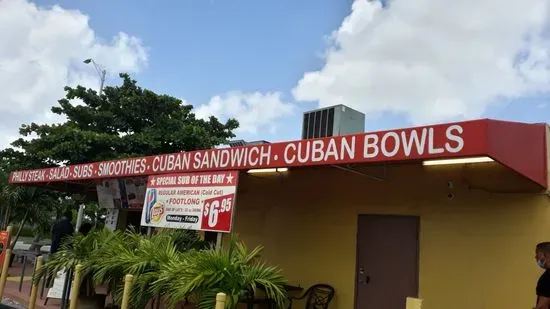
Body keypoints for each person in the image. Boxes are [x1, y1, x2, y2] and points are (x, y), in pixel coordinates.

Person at [535, 242, 550, 309]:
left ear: (546, 255)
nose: (535, 257)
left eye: (537, 253)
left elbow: (543, 306)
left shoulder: (547, 278)